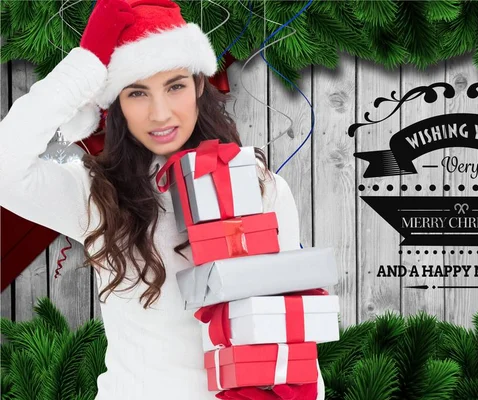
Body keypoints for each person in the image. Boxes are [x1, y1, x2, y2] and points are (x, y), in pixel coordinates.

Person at [0, 0, 326, 399]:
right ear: (116, 104)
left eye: (175, 86)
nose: (160, 114)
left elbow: (290, 331)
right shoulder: (94, 193)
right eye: (137, 92)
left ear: (199, 85)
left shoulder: (262, 187)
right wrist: (84, 66)